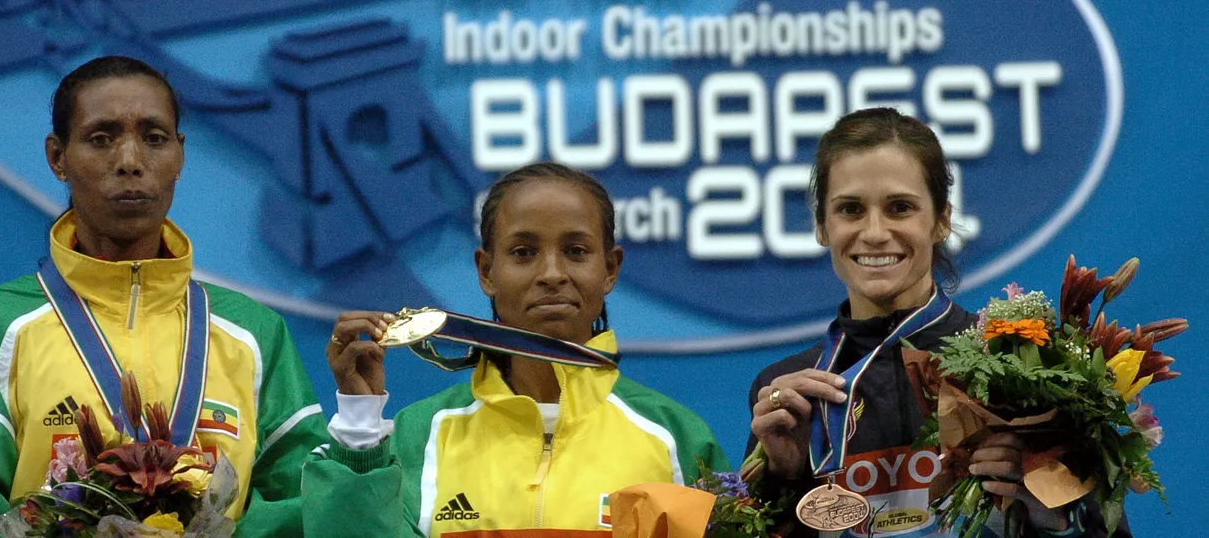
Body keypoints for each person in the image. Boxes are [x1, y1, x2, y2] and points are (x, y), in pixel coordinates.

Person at [0, 56, 328, 537]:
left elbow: (306, 507)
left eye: (154, 138)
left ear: (180, 155)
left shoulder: (254, 334)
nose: (130, 161)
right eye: (101, 138)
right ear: (58, 157)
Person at [745, 107, 1130, 538]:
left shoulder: (1027, 369)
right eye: (850, 209)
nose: (874, 232)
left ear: (942, 219)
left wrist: (1050, 515)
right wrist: (781, 477)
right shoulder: (789, 395)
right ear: (822, 225)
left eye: (900, 207)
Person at [302, 161, 728, 536]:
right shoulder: (421, 437)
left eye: (576, 251)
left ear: (610, 268)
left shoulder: (677, 440)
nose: (551, 273)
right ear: (487, 271)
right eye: (523, 253)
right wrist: (359, 426)